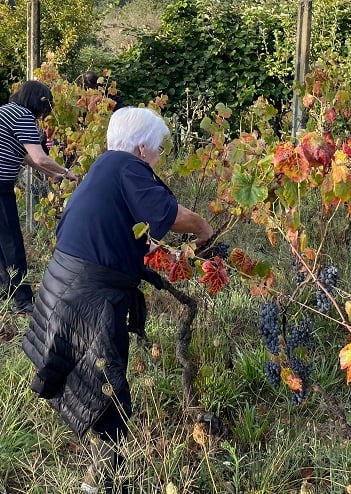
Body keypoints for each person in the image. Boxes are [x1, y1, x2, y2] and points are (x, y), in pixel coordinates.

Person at [22, 107, 213, 492]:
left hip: (66, 286)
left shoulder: (104, 167)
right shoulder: (129, 167)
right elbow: (171, 214)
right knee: (105, 391)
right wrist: (204, 230)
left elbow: (120, 231)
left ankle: (105, 473)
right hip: (86, 297)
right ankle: (105, 481)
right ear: (142, 149)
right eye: (158, 149)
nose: (158, 156)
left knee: (94, 381)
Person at [0, 80, 77, 314]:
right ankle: (22, 300)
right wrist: (67, 172)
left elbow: (26, 156)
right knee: (11, 238)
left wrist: (54, 173)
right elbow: (39, 157)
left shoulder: (5, 111)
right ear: (38, 102)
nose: (44, 112)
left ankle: (7, 288)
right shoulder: (23, 117)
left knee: (2, 234)